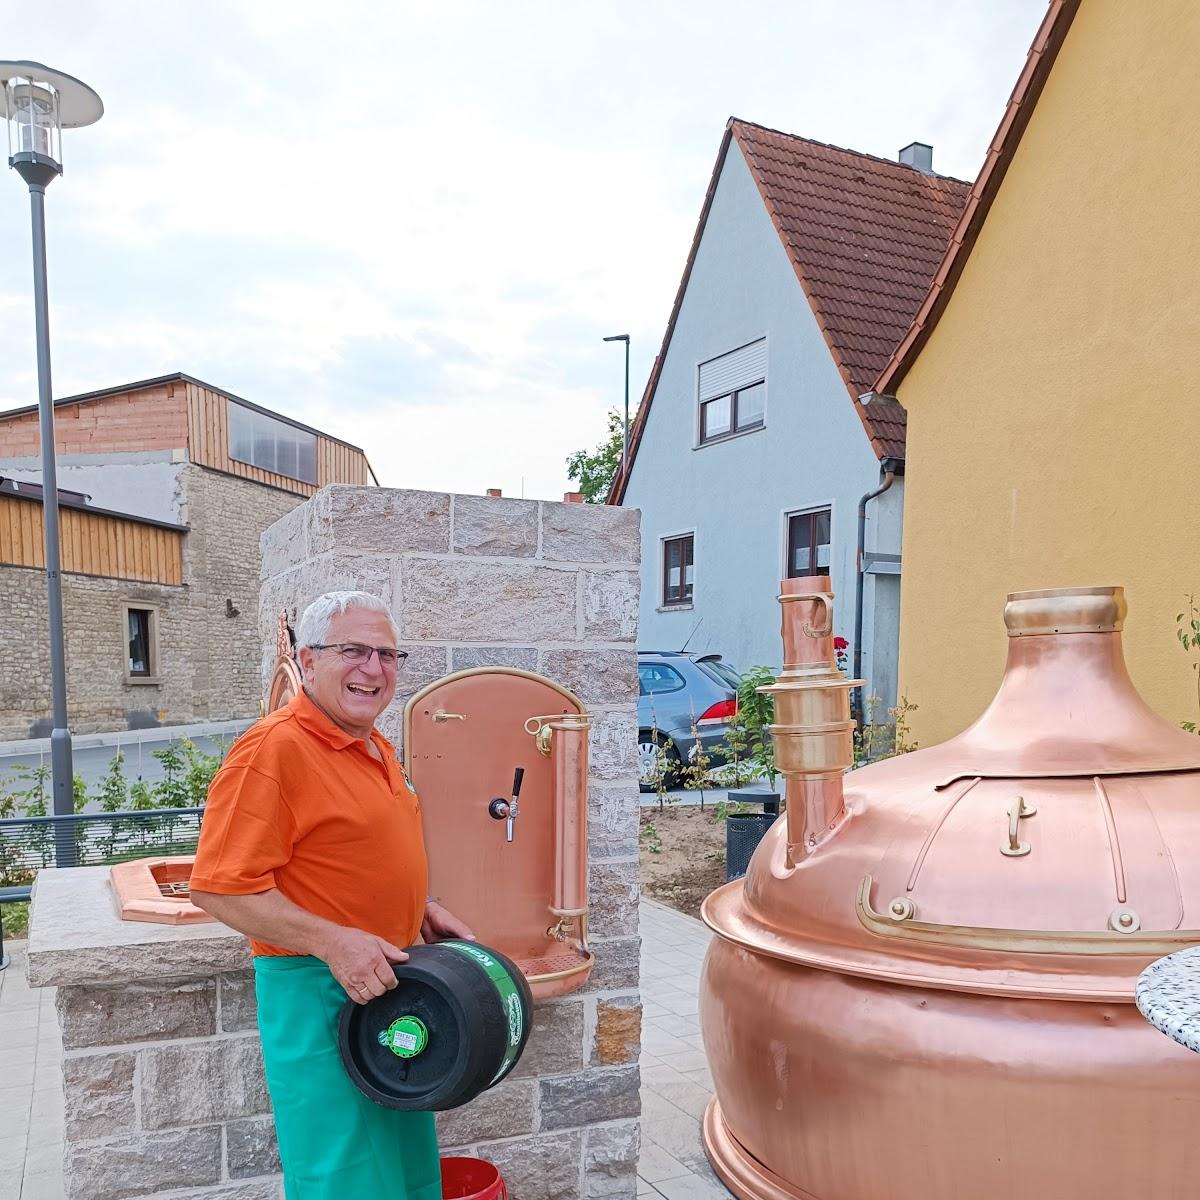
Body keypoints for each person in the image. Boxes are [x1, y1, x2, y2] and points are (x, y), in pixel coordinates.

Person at [190, 589, 473, 1200]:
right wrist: (334, 941)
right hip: (319, 994)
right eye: (354, 651)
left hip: (391, 985)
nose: (373, 668)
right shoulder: (274, 751)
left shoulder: (375, 745)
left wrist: (417, 908)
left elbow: (344, 860)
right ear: (309, 661)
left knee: (404, 1173)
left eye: (387, 654)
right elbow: (219, 888)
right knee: (343, 1178)